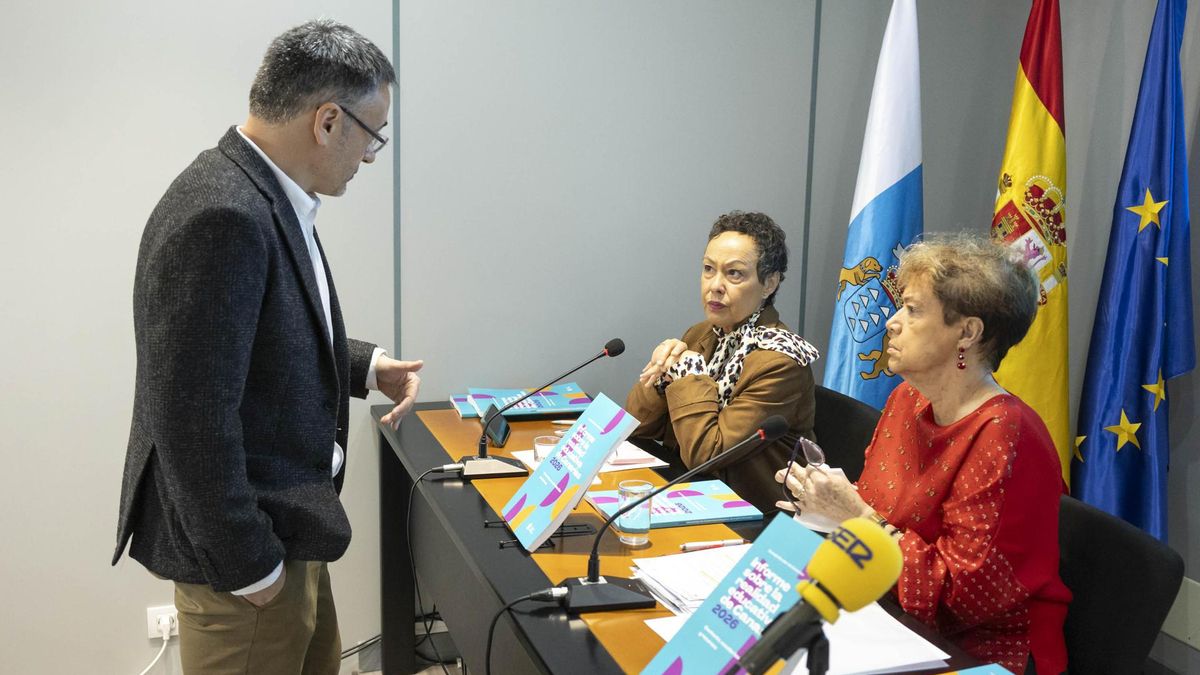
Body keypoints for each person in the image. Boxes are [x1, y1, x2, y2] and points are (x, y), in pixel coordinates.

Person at [112, 20, 423, 674]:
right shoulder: (222, 213)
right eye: (373, 136)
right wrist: (251, 565)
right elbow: (190, 417)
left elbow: (263, 336)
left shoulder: (264, 195)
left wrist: (366, 365)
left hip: (291, 526)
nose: (370, 157)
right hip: (249, 562)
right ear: (328, 121)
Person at [777, 234, 1070, 674]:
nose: (892, 322)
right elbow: (881, 511)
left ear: (967, 333)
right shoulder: (907, 400)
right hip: (890, 617)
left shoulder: (1005, 435)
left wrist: (854, 516)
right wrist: (823, 508)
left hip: (977, 651)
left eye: (913, 311)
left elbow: (961, 601)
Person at [626, 211, 819, 513]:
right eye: (708, 269)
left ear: (769, 283)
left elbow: (707, 453)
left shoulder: (781, 361)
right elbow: (635, 426)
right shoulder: (702, 334)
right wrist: (662, 379)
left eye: (734, 274)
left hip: (755, 512)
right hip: (696, 492)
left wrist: (688, 378)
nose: (715, 285)